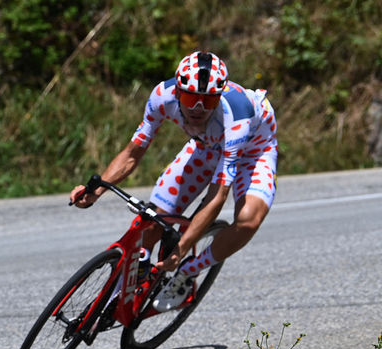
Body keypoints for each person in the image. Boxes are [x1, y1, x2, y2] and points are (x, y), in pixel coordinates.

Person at [69, 50, 278, 311]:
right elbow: (133, 153)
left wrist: (182, 246)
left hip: (252, 152)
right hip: (204, 147)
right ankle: (119, 298)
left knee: (248, 219)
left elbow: (217, 196)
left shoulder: (237, 117)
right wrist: (95, 191)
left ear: (220, 96)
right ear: (178, 91)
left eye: (208, 101)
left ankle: (190, 271)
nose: (198, 108)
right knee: (155, 222)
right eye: (191, 97)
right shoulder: (161, 96)